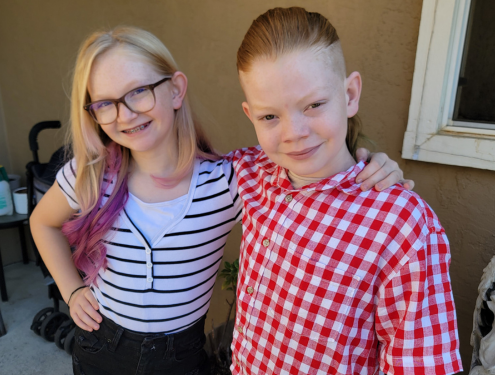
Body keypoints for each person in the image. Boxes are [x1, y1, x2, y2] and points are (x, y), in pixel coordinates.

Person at [30, 26, 407, 375]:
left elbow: (306, 158)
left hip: (181, 355)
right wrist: (72, 289)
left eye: (138, 92)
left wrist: (370, 164)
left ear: (176, 89)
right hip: (100, 348)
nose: (125, 113)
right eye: (105, 103)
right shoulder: (91, 175)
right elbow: (42, 223)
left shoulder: (229, 181)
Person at [227, 7, 463, 375]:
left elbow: (419, 365)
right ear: (249, 114)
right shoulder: (251, 173)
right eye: (269, 116)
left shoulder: (401, 226)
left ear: (350, 94)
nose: (293, 132)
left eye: (314, 105)